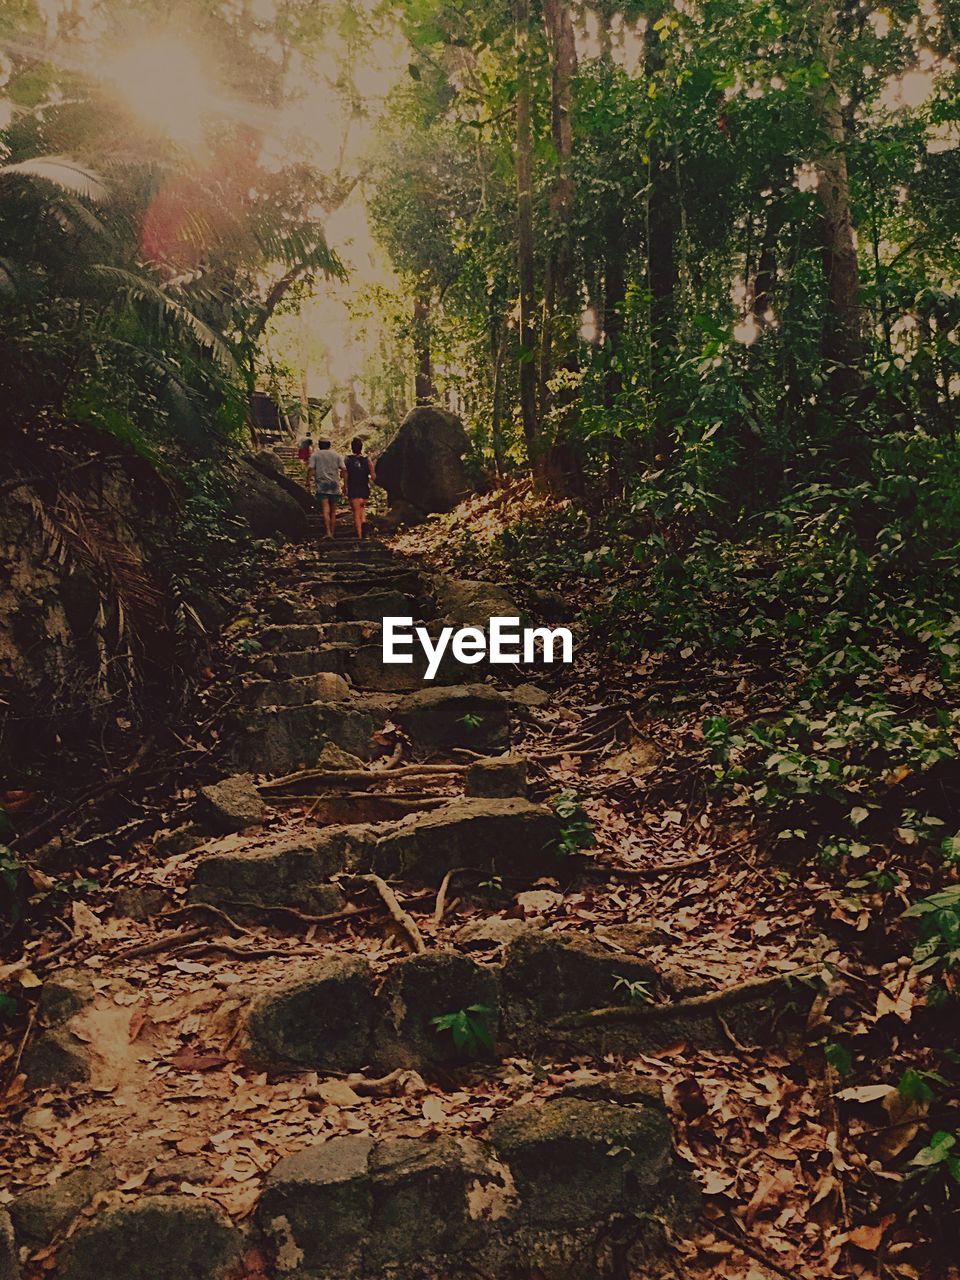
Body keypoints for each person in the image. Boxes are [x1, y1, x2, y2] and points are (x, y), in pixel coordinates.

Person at [309, 439, 345, 538]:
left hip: (322, 484)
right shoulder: (337, 455)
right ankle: (332, 533)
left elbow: (311, 469)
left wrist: (308, 483)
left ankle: (328, 532)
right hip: (334, 484)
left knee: (325, 509)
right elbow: (344, 469)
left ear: (320, 446)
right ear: (329, 445)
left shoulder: (315, 455)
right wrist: (345, 485)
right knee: (333, 511)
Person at [344, 436, 375, 539]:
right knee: (362, 509)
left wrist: (345, 486)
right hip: (364, 488)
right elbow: (373, 476)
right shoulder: (367, 459)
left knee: (356, 512)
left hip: (353, 488)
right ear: (361, 447)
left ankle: (360, 535)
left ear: (352, 448)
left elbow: (344, 474)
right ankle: (364, 530)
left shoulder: (348, 459)